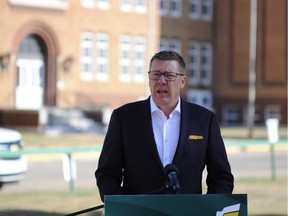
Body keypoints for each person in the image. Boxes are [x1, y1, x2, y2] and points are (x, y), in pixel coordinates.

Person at [95, 50, 234, 202]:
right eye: (155, 74)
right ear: (149, 79)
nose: (161, 81)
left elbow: (221, 177)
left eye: (169, 75)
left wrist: (206, 209)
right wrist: (122, 206)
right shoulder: (124, 118)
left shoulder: (204, 120)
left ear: (182, 81)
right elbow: (107, 174)